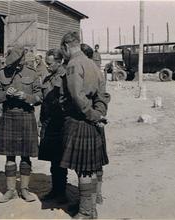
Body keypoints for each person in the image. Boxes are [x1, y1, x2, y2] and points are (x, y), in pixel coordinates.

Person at [60, 32, 110, 219]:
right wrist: (98, 113)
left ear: (65, 47)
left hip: (80, 120)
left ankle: (86, 211)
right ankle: (90, 206)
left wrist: (91, 115)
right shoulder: (93, 64)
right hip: (93, 119)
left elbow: (76, 96)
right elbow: (103, 93)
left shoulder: (73, 64)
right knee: (91, 167)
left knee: (84, 169)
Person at [0, 44, 42, 203]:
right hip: (8, 117)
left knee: (26, 156)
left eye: (19, 63)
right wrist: (4, 94)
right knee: (10, 156)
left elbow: (39, 96)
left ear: (22, 60)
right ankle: (10, 190)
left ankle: (25, 190)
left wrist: (26, 97)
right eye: (13, 64)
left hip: (26, 116)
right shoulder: (1, 74)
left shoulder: (32, 73)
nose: (16, 66)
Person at [38, 49, 67, 203]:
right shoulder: (48, 78)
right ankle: (56, 190)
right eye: (47, 63)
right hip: (49, 122)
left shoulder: (66, 77)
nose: (47, 66)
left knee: (62, 159)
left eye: (50, 64)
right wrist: (41, 120)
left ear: (59, 61)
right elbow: (44, 101)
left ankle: (62, 192)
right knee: (53, 160)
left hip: (61, 123)